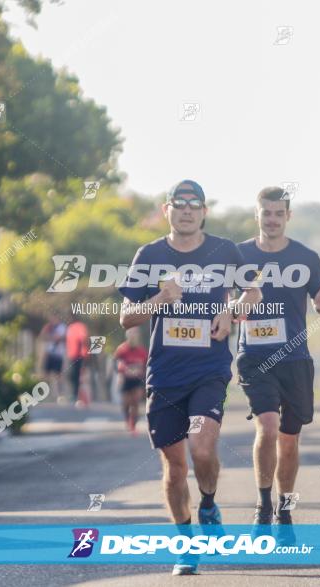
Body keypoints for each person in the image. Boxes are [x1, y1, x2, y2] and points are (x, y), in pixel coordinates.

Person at [118, 179, 260, 576]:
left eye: (193, 204)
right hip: (164, 375)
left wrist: (230, 311)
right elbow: (126, 317)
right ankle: (185, 544)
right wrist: (158, 300)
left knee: (201, 448)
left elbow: (254, 293)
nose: (186, 210)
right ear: (167, 210)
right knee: (175, 466)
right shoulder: (149, 255)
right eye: (178, 204)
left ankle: (209, 503)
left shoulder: (224, 251)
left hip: (209, 372)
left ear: (203, 211)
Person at [236, 186, 320, 544]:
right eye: (266, 213)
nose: (272, 219)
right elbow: (227, 308)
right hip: (255, 357)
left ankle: (284, 510)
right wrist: (239, 305)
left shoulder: (306, 257)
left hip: (295, 358)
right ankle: (262, 508)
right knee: (268, 427)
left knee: (289, 441)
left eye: (278, 213)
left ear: (288, 216)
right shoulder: (238, 256)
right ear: (256, 215)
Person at [114, 327, 148, 435]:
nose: (133, 336)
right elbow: (116, 363)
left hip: (137, 380)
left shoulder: (142, 351)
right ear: (127, 336)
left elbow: (146, 365)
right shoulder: (121, 349)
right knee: (126, 403)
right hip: (125, 380)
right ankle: (127, 420)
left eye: (135, 334)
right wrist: (120, 374)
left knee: (136, 402)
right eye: (131, 334)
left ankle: (133, 424)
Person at [39, 315, 67, 403]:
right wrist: (48, 333)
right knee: (45, 375)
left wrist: (51, 337)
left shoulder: (62, 327)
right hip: (49, 354)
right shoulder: (49, 327)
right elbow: (42, 336)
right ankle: (44, 394)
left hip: (58, 354)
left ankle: (60, 395)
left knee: (58, 375)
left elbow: (59, 338)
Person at [65, 312, 89, 408]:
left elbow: (83, 339)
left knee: (79, 377)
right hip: (72, 356)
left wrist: (83, 354)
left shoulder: (79, 326)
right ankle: (75, 395)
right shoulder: (70, 328)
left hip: (79, 356)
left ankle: (80, 397)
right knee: (72, 376)